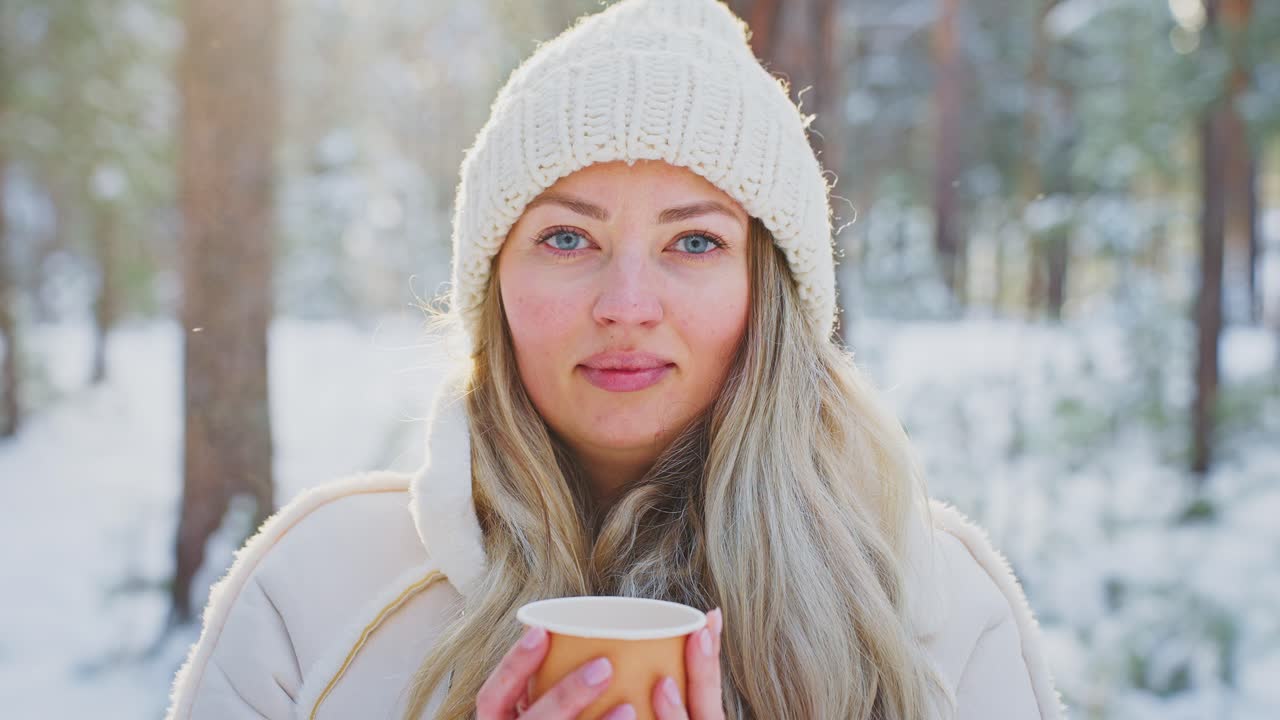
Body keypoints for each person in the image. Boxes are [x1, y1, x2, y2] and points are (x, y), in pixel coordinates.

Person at [166, 0, 1063, 718]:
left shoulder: (934, 606)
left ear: (772, 294)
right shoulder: (317, 588)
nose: (626, 306)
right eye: (566, 236)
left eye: (696, 243)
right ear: (493, 286)